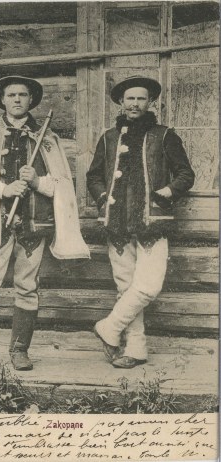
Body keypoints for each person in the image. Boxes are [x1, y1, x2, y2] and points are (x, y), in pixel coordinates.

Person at [0, 75, 89, 384]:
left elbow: (62, 187)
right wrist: (5, 188)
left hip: (32, 228)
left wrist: (36, 181)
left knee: (27, 287)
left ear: (31, 100)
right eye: (11, 94)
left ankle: (19, 350)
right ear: (1, 99)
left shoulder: (47, 137)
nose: (17, 99)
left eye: (23, 94)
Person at [87, 75, 194, 369]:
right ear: (121, 103)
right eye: (130, 98)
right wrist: (101, 198)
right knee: (126, 287)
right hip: (117, 222)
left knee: (147, 286)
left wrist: (167, 192)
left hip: (151, 221)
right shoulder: (110, 137)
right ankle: (136, 349)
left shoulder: (164, 135)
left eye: (141, 98)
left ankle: (108, 327)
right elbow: (93, 176)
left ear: (150, 103)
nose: (135, 103)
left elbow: (186, 174)